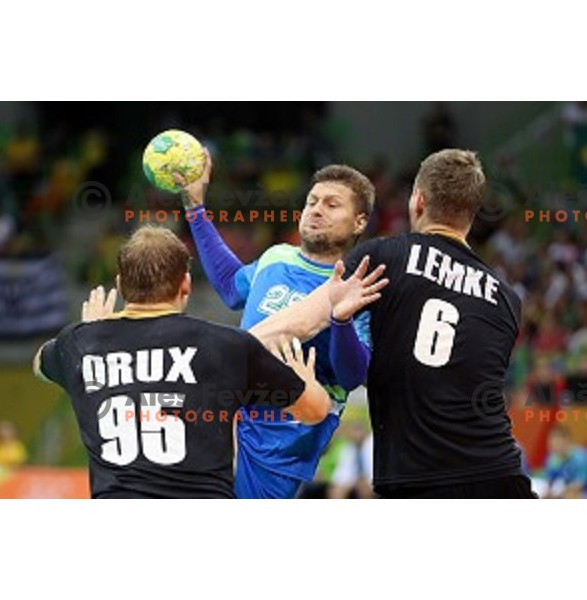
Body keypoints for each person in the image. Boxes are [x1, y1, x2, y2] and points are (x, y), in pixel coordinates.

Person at [251, 148, 537, 499]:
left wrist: (214, 353)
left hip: (416, 478)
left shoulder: (384, 257)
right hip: (500, 472)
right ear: (473, 212)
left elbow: (299, 323)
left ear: (418, 200)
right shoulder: (508, 298)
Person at [33, 226, 330, 499]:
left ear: (121, 286)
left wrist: (91, 331)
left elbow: (39, 364)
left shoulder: (79, 344)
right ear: (185, 284)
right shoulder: (227, 346)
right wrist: (303, 376)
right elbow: (315, 411)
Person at [174, 152, 386, 498]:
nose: (316, 210)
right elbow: (230, 287)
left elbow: (352, 376)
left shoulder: (358, 282)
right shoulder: (277, 256)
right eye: (312, 201)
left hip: (287, 429)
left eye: (332, 205)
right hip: (232, 407)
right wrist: (196, 209)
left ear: (359, 221)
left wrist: (342, 320)